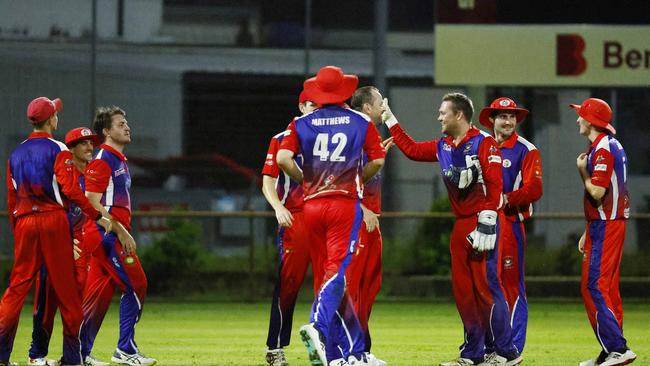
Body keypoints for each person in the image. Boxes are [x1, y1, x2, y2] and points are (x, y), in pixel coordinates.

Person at [383, 93, 522, 366]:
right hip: (461, 225)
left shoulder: (485, 143)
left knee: (487, 288)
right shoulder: (444, 145)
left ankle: (506, 352)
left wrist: (488, 220)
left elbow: (496, 186)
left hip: (484, 222)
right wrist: (389, 119)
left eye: (442, 112)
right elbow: (411, 149)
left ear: (459, 115)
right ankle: (473, 353)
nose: (439, 117)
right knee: (464, 292)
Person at [277, 65, 385, 366]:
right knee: (338, 272)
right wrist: (358, 177)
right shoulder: (360, 121)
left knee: (326, 273)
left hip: (311, 206)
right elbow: (377, 158)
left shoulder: (301, 122)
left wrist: (305, 179)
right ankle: (318, 326)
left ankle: (344, 352)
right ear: (344, 91)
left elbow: (284, 158)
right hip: (343, 205)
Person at [1, 97, 112, 366]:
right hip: (53, 220)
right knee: (67, 292)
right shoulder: (58, 148)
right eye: (55, 114)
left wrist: (19, 231)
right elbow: (71, 190)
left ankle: (1, 356)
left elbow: (12, 200)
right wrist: (96, 214)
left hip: (25, 220)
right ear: (51, 120)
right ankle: (73, 358)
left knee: (16, 290)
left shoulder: (15, 153)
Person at [79, 106, 156, 366]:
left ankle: (78, 353)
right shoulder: (103, 159)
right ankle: (125, 349)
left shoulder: (118, 159)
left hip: (108, 235)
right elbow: (90, 202)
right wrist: (121, 230)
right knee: (137, 284)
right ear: (107, 131)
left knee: (97, 297)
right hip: (107, 235)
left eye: (126, 122)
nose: (127, 127)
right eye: (121, 123)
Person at [28, 127, 107, 366]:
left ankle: (76, 356)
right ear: (70, 149)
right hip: (56, 246)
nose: (89, 147)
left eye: (91, 143)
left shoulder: (88, 181)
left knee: (77, 304)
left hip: (79, 248)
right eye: (83, 143)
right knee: (47, 301)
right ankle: (36, 355)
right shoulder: (60, 179)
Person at [572, 98, 636, 366]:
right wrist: (589, 228)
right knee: (606, 288)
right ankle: (611, 348)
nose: (578, 119)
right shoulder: (607, 145)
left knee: (594, 286)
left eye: (580, 115)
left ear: (590, 120)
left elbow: (597, 191)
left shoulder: (603, 148)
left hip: (607, 225)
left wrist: (582, 172)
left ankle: (617, 348)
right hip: (605, 223)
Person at [478, 97, 543, 356]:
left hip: (510, 223)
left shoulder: (527, 149)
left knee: (511, 287)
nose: (508, 121)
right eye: (503, 116)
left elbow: (535, 188)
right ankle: (491, 346)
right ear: (492, 120)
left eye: (512, 116)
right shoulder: (482, 146)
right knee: (484, 285)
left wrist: (506, 199)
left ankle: (512, 349)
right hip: (482, 224)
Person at [263, 90, 323, 366]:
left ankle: (330, 346)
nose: (317, 110)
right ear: (301, 105)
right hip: (296, 217)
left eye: (322, 106)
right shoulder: (280, 140)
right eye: (313, 105)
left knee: (332, 283)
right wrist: (278, 207)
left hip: (326, 216)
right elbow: (267, 180)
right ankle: (275, 347)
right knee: (289, 284)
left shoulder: (326, 138)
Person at [340, 86, 393, 366]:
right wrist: (362, 209)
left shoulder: (368, 136)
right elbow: (337, 179)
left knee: (370, 285)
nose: (384, 108)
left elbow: (360, 174)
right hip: (356, 220)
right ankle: (346, 352)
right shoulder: (352, 133)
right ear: (367, 108)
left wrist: (375, 159)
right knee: (353, 288)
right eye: (381, 103)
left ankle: (360, 350)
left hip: (372, 220)